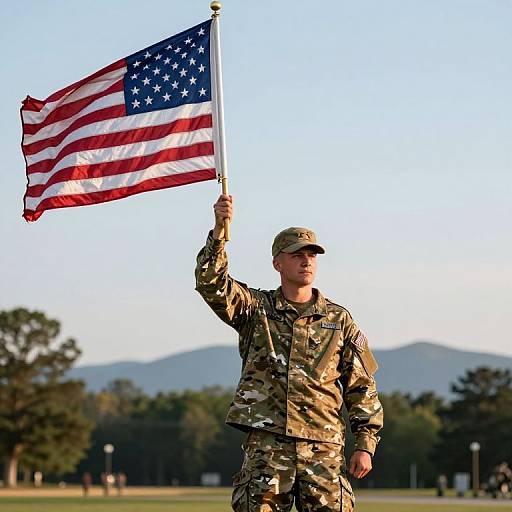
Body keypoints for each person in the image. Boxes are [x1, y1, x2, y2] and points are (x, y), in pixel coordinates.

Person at [195, 195, 384, 512]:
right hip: (268, 448)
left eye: (312, 254)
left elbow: (361, 387)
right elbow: (211, 283)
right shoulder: (257, 310)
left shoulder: (338, 321)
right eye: (297, 254)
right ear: (277, 263)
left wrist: (365, 444)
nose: (307, 261)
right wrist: (218, 233)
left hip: (322, 450)